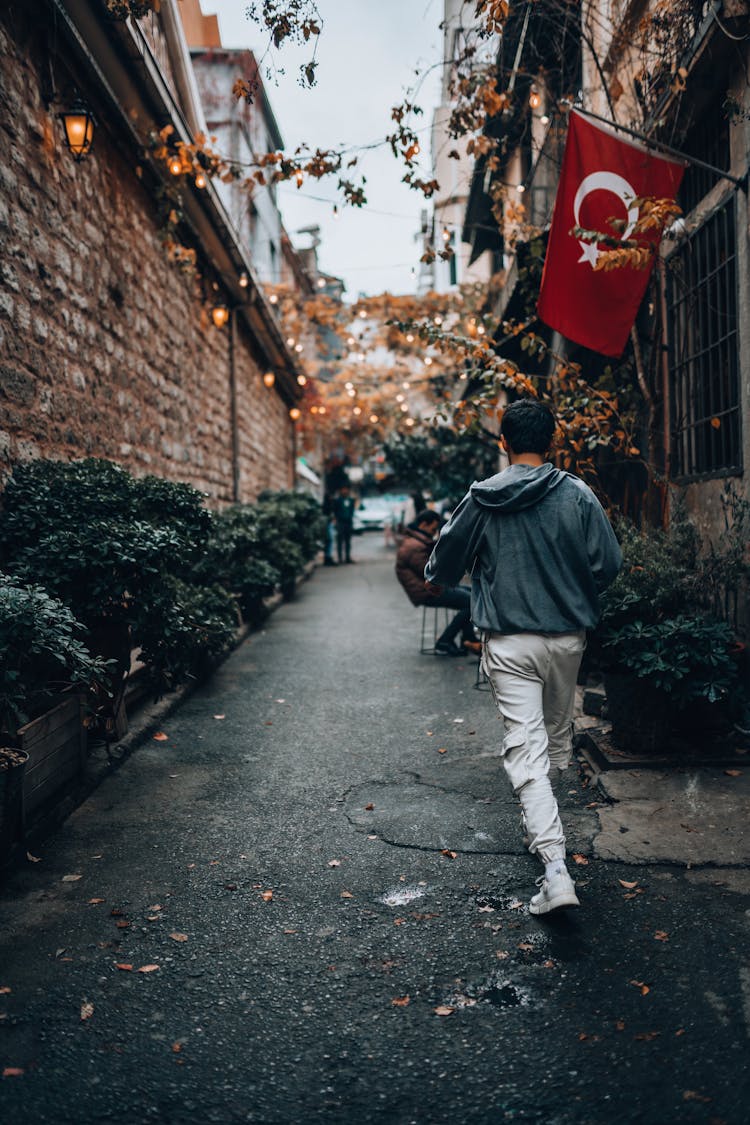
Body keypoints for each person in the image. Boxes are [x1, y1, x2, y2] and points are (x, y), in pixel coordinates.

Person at [425, 398, 621, 914]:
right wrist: (572, 586)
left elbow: (441, 569)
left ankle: (555, 871)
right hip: (567, 638)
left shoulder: (482, 499)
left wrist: (487, 571)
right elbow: (609, 563)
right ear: (552, 442)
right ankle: (551, 840)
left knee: (528, 749)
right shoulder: (577, 494)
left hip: (510, 643)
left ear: (503, 443)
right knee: (553, 744)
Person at [396, 510, 481, 656]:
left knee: (472, 594)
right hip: (427, 592)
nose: (435, 532)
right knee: (471, 601)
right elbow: (430, 572)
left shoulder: (417, 541)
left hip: (431, 588)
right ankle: (445, 641)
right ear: (423, 524)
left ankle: (468, 639)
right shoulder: (415, 546)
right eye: (433, 529)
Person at [332, 484, 356, 564]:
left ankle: (347, 557)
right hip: (340, 522)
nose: (345, 491)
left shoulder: (351, 500)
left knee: (348, 541)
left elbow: (352, 510)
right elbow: (335, 511)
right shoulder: (338, 500)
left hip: (348, 522)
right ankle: (340, 558)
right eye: (343, 489)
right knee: (339, 541)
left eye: (346, 489)